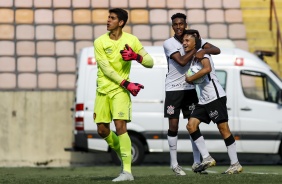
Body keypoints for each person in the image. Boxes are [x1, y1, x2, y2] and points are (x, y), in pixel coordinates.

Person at [93, 8, 154, 182]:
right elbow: (106, 68)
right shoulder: (99, 42)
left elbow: (150, 62)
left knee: (121, 127)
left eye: (112, 18)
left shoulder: (131, 40)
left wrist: (136, 56)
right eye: (108, 17)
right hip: (103, 90)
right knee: (102, 130)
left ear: (121, 22)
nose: (108, 21)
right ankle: (124, 153)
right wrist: (127, 83)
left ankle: (127, 171)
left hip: (120, 91)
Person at [163, 13, 221, 175]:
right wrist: (198, 49)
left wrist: (203, 49)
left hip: (189, 90)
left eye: (181, 24)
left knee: (192, 125)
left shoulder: (194, 41)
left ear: (186, 24)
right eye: (175, 24)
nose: (179, 27)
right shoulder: (169, 43)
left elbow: (216, 49)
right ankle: (174, 164)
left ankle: (198, 161)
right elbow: (181, 61)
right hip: (173, 89)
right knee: (173, 126)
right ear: (172, 26)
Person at [183, 30, 243, 174]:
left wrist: (190, 78)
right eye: (183, 41)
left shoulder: (203, 54)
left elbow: (207, 69)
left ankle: (235, 164)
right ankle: (207, 157)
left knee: (223, 129)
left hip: (215, 97)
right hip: (203, 100)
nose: (184, 43)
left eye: (187, 40)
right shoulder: (192, 57)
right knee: (191, 126)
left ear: (194, 42)